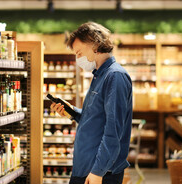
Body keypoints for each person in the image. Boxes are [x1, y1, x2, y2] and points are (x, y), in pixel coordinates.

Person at [51, 22, 133, 184]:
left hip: (100, 172)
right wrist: (72, 111)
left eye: (79, 53)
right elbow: (97, 120)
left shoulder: (115, 76)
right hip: (86, 168)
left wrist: (98, 171)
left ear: (95, 44)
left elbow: (113, 130)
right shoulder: (99, 76)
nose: (78, 58)